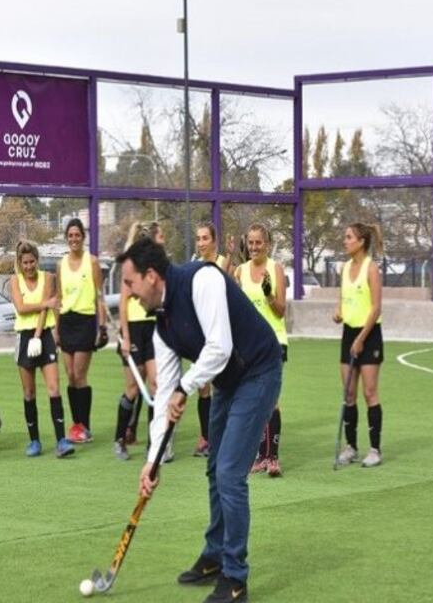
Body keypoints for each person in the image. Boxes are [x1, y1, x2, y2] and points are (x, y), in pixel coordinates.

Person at [120, 237, 281, 603]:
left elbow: (220, 346)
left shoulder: (202, 280)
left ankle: (235, 577)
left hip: (259, 371)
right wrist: (152, 462)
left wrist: (186, 387)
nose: (128, 294)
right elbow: (163, 398)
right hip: (228, 380)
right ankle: (214, 554)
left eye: (130, 284)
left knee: (229, 472)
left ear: (151, 276)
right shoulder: (161, 325)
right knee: (214, 469)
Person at [9, 240, 76, 458]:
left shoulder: (48, 278)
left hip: (43, 335)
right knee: (29, 392)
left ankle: (61, 440)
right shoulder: (14, 281)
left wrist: (39, 335)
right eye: (25, 262)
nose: (29, 266)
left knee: (54, 388)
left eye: (32, 261)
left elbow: (45, 309)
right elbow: (21, 307)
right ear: (19, 263)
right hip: (23, 337)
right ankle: (34, 441)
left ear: (37, 260)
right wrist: (45, 305)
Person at [112, 222, 170, 462]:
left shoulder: (153, 269)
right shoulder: (131, 269)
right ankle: (119, 439)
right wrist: (125, 337)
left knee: (156, 385)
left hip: (151, 326)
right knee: (133, 389)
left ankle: (153, 442)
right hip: (133, 331)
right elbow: (124, 304)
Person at [234, 223, 287, 478]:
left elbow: (280, 310)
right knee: (255, 399)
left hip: (274, 341)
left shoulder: (276, 269)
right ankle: (260, 456)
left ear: (267, 244)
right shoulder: (240, 272)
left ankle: (273, 457)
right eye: (251, 243)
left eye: (259, 243)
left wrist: (268, 295)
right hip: (249, 344)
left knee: (272, 399)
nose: (254, 247)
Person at [333, 222, 384, 468]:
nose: (345, 241)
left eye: (348, 237)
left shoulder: (371, 268)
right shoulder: (344, 268)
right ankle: (351, 446)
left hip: (369, 334)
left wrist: (361, 339)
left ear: (361, 241)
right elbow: (342, 300)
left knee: (369, 392)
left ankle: (374, 449)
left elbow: (376, 308)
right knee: (349, 393)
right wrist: (338, 312)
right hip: (348, 333)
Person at [55, 218, 109, 444]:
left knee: (79, 374)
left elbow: (99, 297)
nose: (74, 239)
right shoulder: (60, 265)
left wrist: (102, 325)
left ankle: (84, 425)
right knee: (69, 376)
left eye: (77, 235)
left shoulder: (92, 262)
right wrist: (56, 329)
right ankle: (76, 426)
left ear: (83, 238)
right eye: (70, 235)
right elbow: (59, 298)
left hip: (86, 321)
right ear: (66, 238)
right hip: (66, 321)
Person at [191, 222, 236, 457]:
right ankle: (205, 437)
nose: (200, 243)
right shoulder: (194, 267)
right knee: (202, 387)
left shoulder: (224, 264)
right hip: (201, 334)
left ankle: (223, 436)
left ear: (214, 240)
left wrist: (228, 257)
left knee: (223, 386)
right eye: (198, 238)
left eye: (205, 238)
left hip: (221, 334)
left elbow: (226, 287)